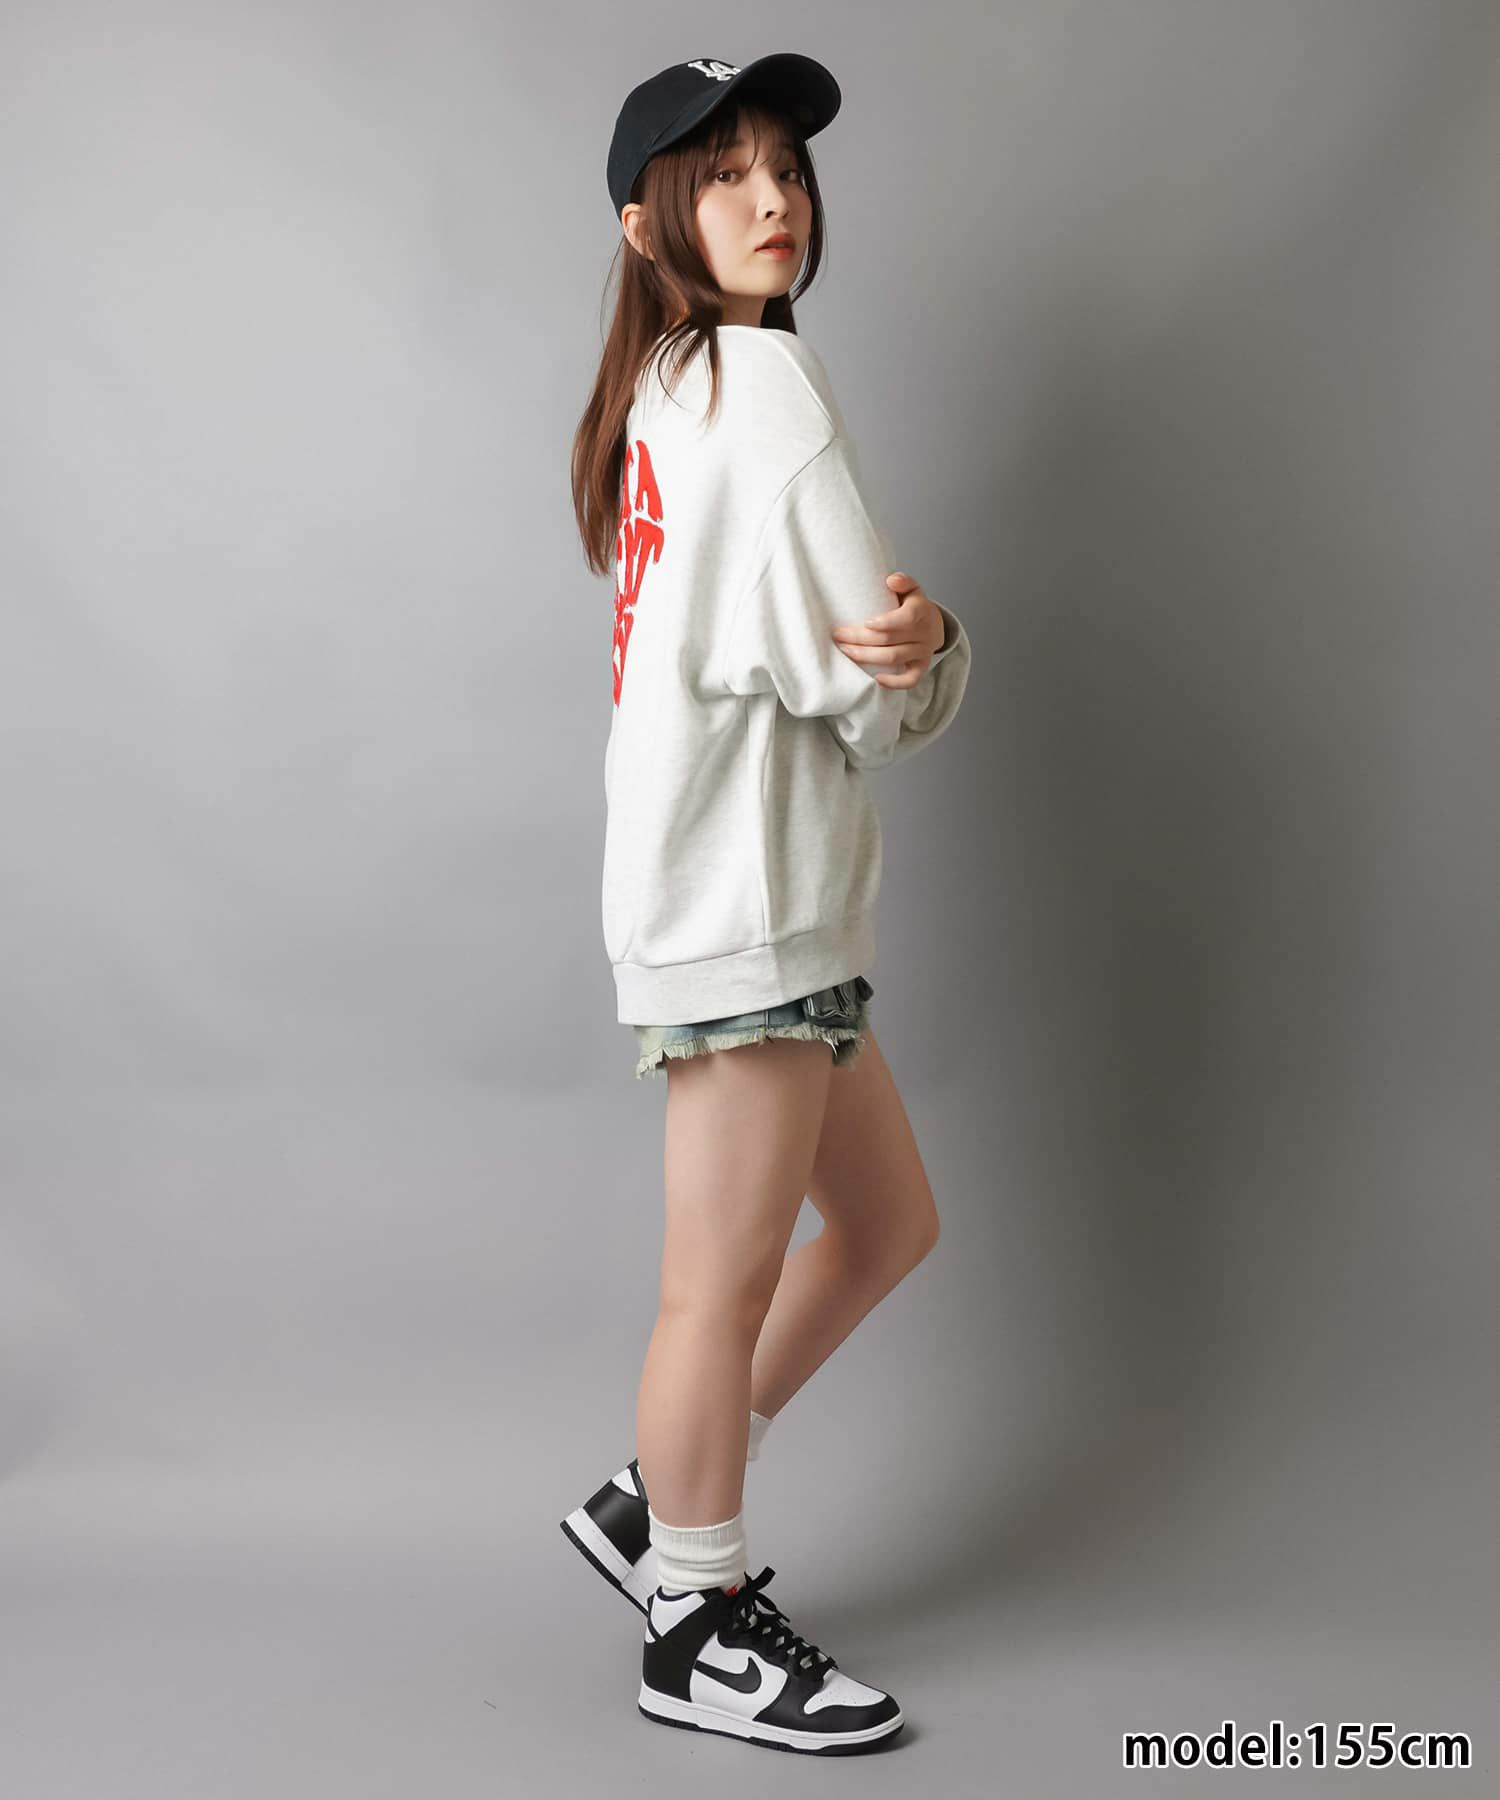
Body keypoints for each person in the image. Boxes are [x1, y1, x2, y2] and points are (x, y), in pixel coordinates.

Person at [560, 53, 973, 1756]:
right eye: (723, 170)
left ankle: (651, 1503)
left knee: (886, 1226)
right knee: (712, 1291)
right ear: (648, 220)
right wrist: (937, 649)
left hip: (727, 897)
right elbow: (868, 692)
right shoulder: (766, 386)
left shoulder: (666, 383)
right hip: (748, 912)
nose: (772, 196)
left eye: (786, 166)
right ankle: (699, 1621)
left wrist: (898, 653)